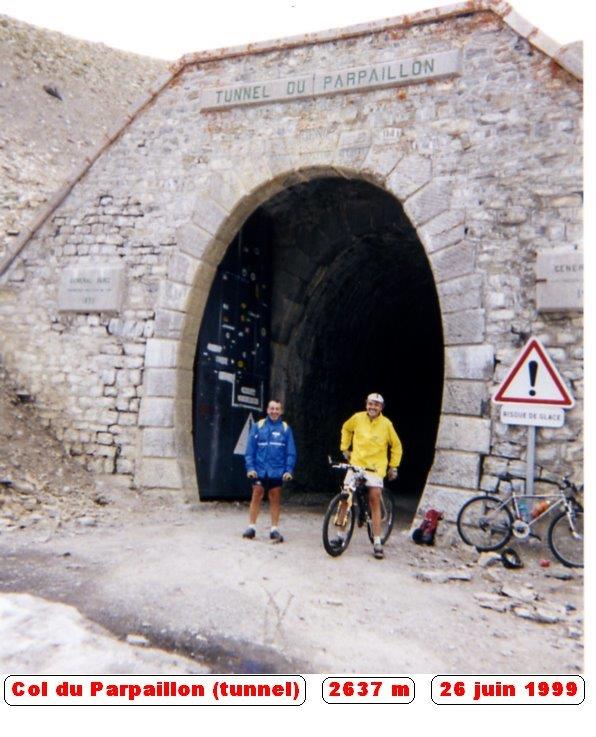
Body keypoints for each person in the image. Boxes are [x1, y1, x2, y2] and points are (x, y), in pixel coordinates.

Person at [336, 393, 402, 559]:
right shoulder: (357, 418)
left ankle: (378, 541)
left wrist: (393, 466)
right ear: (366, 404)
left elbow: (396, 446)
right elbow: (346, 428)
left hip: (375, 467)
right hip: (357, 463)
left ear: (381, 408)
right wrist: (345, 448)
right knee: (345, 496)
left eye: (377, 405)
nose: (373, 407)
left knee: (374, 497)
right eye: (370, 404)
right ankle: (339, 535)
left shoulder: (386, 424)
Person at [242, 399, 296, 542]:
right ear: (267, 410)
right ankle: (251, 527)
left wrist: (288, 470)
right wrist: (250, 468)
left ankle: (274, 529)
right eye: (272, 408)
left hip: (276, 471)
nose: (274, 411)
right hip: (259, 469)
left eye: (277, 409)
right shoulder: (257, 426)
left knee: (275, 497)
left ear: (281, 411)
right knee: (257, 493)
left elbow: (291, 452)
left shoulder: (285, 429)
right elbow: (250, 450)